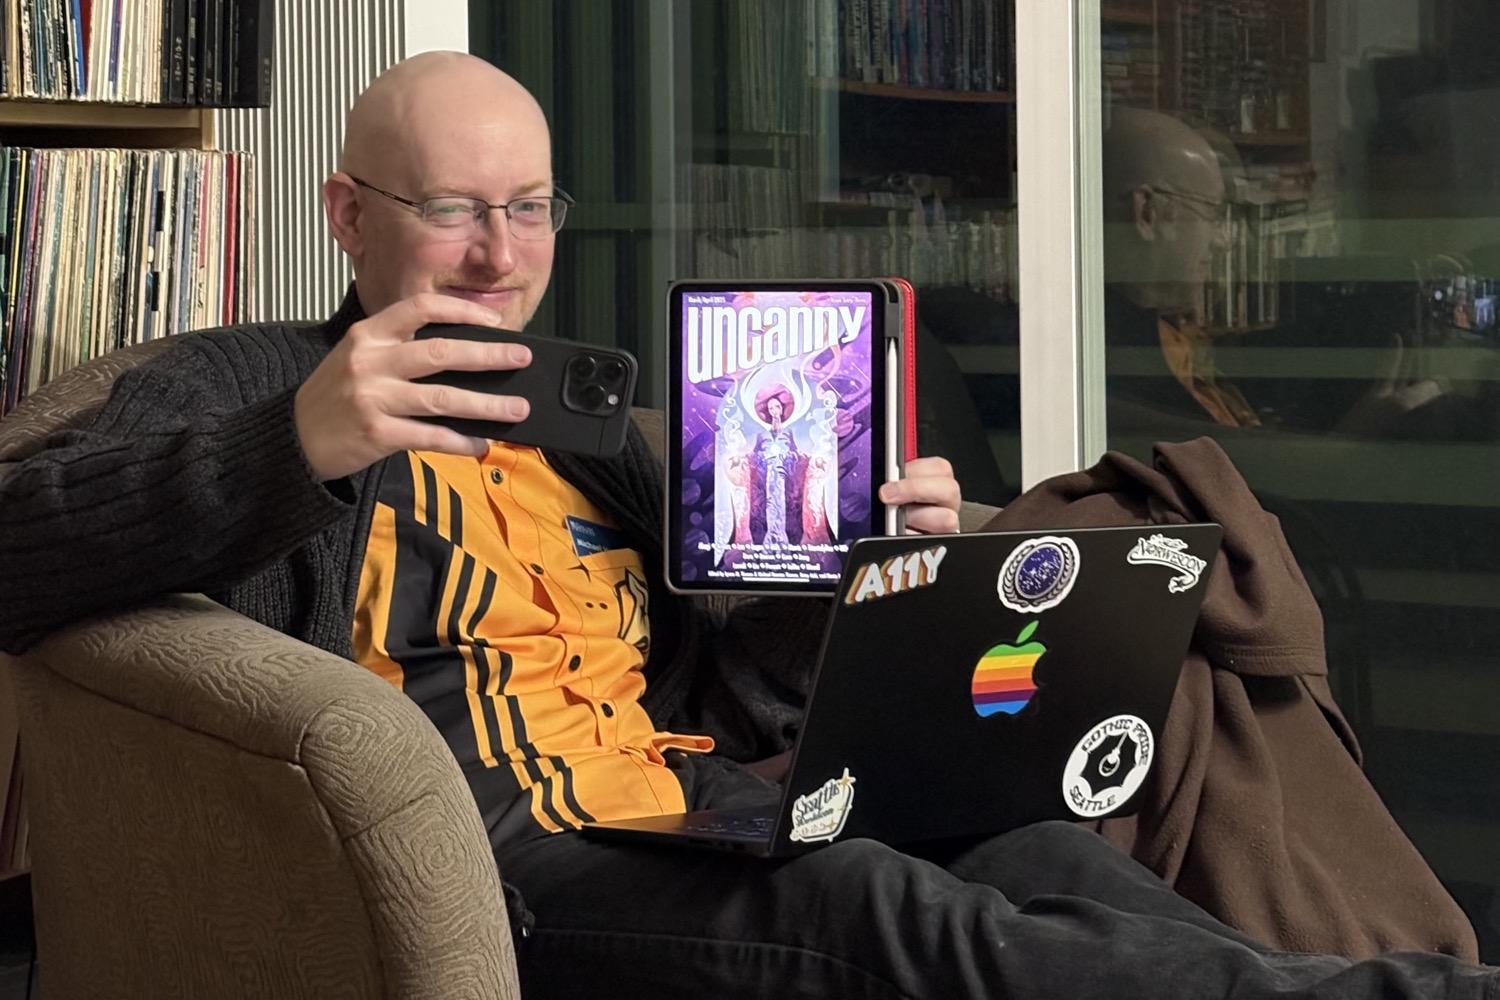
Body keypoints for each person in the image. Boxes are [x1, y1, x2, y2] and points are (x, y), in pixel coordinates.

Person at [0, 52, 1496, 999]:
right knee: (879, 910)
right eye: (454, 208)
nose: (498, 255)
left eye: (530, 209)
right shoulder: (246, 380)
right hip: (510, 857)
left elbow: (737, 692)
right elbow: (22, 536)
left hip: (702, 805)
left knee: (1034, 848)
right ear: (346, 214)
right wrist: (301, 442)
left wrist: (857, 575)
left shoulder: (591, 433)